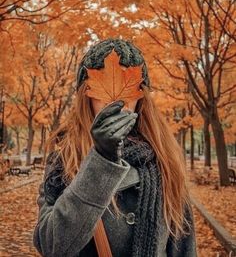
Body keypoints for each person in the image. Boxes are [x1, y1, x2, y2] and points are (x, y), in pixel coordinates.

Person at [33, 38, 197, 257]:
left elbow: (184, 248)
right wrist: (101, 160)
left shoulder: (165, 160)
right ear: (86, 95)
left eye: (128, 88)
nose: (116, 101)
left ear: (141, 98)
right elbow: (51, 245)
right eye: (102, 90)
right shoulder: (64, 157)